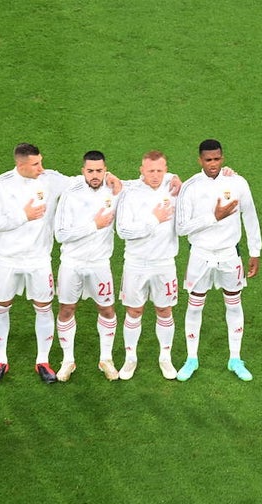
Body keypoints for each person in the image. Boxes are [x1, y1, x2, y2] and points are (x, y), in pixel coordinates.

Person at [0, 143, 75, 384]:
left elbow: (82, 181)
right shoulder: (1, 184)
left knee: (44, 307)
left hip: (39, 259)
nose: (41, 167)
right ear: (20, 165)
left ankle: (43, 361)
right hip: (8, 259)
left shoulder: (50, 179)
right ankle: (0, 360)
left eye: (41, 161)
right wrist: (24, 215)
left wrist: (113, 179)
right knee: (1, 306)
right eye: (35, 164)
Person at [174, 139, 262, 382]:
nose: (213, 164)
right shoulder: (190, 187)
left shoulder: (237, 182)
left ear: (222, 158)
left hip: (228, 254)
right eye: (208, 160)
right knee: (195, 305)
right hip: (200, 255)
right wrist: (214, 217)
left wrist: (255, 251)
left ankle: (235, 359)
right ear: (200, 160)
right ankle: (191, 359)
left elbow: (251, 216)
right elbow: (181, 228)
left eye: (217, 159)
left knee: (233, 304)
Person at [53, 150, 121, 382]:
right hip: (71, 264)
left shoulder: (114, 190)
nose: (95, 175)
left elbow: (146, 181)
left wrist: (173, 178)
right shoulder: (70, 194)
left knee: (107, 309)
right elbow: (61, 234)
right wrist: (95, 225)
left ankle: (106, 358)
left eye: (99, 170)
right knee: (66, 310)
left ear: (105, 170)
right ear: (83, 171)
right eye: (90, 170)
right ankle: (67, 360)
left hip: (100, 264)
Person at [115, 150, 181, 380]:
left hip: (165, 263)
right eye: (151, 170)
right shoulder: (129, 194)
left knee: (164, 310)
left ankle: (165, 357)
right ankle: (130, 358)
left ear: (166, 170)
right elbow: (123, 231)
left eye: (160, 171)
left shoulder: (174, 189)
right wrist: (154, 219)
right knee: (134, 311)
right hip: (136, 264)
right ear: (141, 170)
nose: (155, 175)